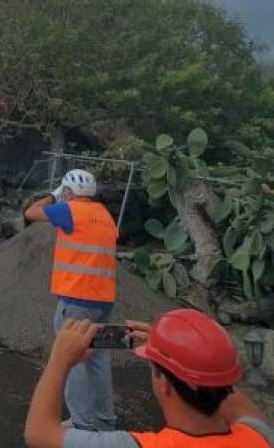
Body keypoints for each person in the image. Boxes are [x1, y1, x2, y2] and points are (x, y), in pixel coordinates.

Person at [25, 309, 273, 447]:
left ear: (164, 384)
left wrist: (59, 360)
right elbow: (219, 379)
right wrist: (176, 348)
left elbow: (38, 432)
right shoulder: (259, 437)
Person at [25, 169, 119, 430]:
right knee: (98, 360)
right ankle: (104, 420)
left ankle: (81, 423)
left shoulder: (70, 210)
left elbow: (31, 212)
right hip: (103, 300)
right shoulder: (104, 215)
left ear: (69, 192)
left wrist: (54, 195)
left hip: (77, 299)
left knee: (74, 358)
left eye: (64, 191)